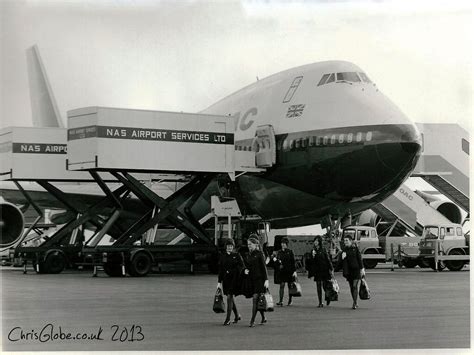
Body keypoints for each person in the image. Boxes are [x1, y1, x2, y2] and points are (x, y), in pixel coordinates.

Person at [217, 238, 245, 325]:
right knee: (230, 298)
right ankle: (237, 315)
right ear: (226, 247)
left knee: (229, 297)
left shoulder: (237, 255)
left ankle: (228, 318)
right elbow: (221, 270)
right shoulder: (222, 256)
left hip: (234, 280)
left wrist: (233, 271)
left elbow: (242, 266)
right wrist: (219, 282)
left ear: (233, 247)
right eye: (228, 246)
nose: (229, 247)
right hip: (226, 281)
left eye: (231, 246)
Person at [244, 236, 269, 327]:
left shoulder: (259, 254)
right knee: (259, 301)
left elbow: (263, 267)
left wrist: (266, 280)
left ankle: (252, 320)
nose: (249, 246)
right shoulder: (248, 254)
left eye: (250, 244)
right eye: (248, 244)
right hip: (251, 280)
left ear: (255, 244)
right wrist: (245, 270)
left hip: (260, 280)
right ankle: (263, 317)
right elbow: (247, 266)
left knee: (255, 299)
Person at [306, 235, 334, 307]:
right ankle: (320, 302)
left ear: (319, 242)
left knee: (325, 286)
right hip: (317, 271)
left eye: (317, 241)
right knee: (318, 285)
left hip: (324, 270)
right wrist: (312, 256)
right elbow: (310, 262)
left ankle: (328, 298)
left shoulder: (323, 250)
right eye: (315, 241)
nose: (315, 242)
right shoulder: (313, 251)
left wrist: (331, 268)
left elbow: (328, 260)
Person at [340, 235, 365, 309]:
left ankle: (354, 303)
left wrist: (362, 269)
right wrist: (342, 258)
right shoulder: (344, 250)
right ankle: (355, 301)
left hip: (356, 270)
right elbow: (340, 262)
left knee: (354, 286)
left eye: (347, 240)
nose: (345, 242)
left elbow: (359, 259)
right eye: (344, 241)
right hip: (349, 271)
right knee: (351, 287)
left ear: (351, 241)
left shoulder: (355, 249)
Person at [273, 237, 297, 306]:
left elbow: (293, 262)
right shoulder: (279, 252)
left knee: (290, 286)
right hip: (282, 272)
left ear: (287, 244)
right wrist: (275, 261)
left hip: (289, 272)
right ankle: (281, 301)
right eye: (282, 243)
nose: (283, 244)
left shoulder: (290, 252)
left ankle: (290, 300)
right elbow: (277, 262)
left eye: (284, 243)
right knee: (282, 285)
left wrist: (294, 271)